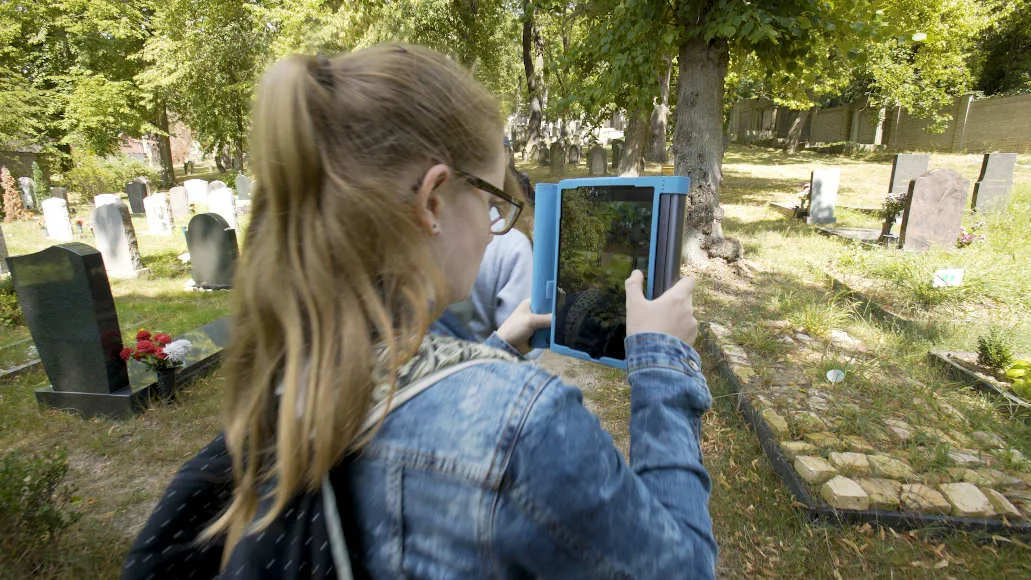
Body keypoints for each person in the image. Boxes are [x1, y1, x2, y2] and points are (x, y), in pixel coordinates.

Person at [125, 43, 716, 579]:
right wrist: (662, 369)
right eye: (491, 200)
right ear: (434, 199)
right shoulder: (528, 426)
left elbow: (403, 413)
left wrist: (498, 348)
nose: (494, 232)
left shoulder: (295, 361)